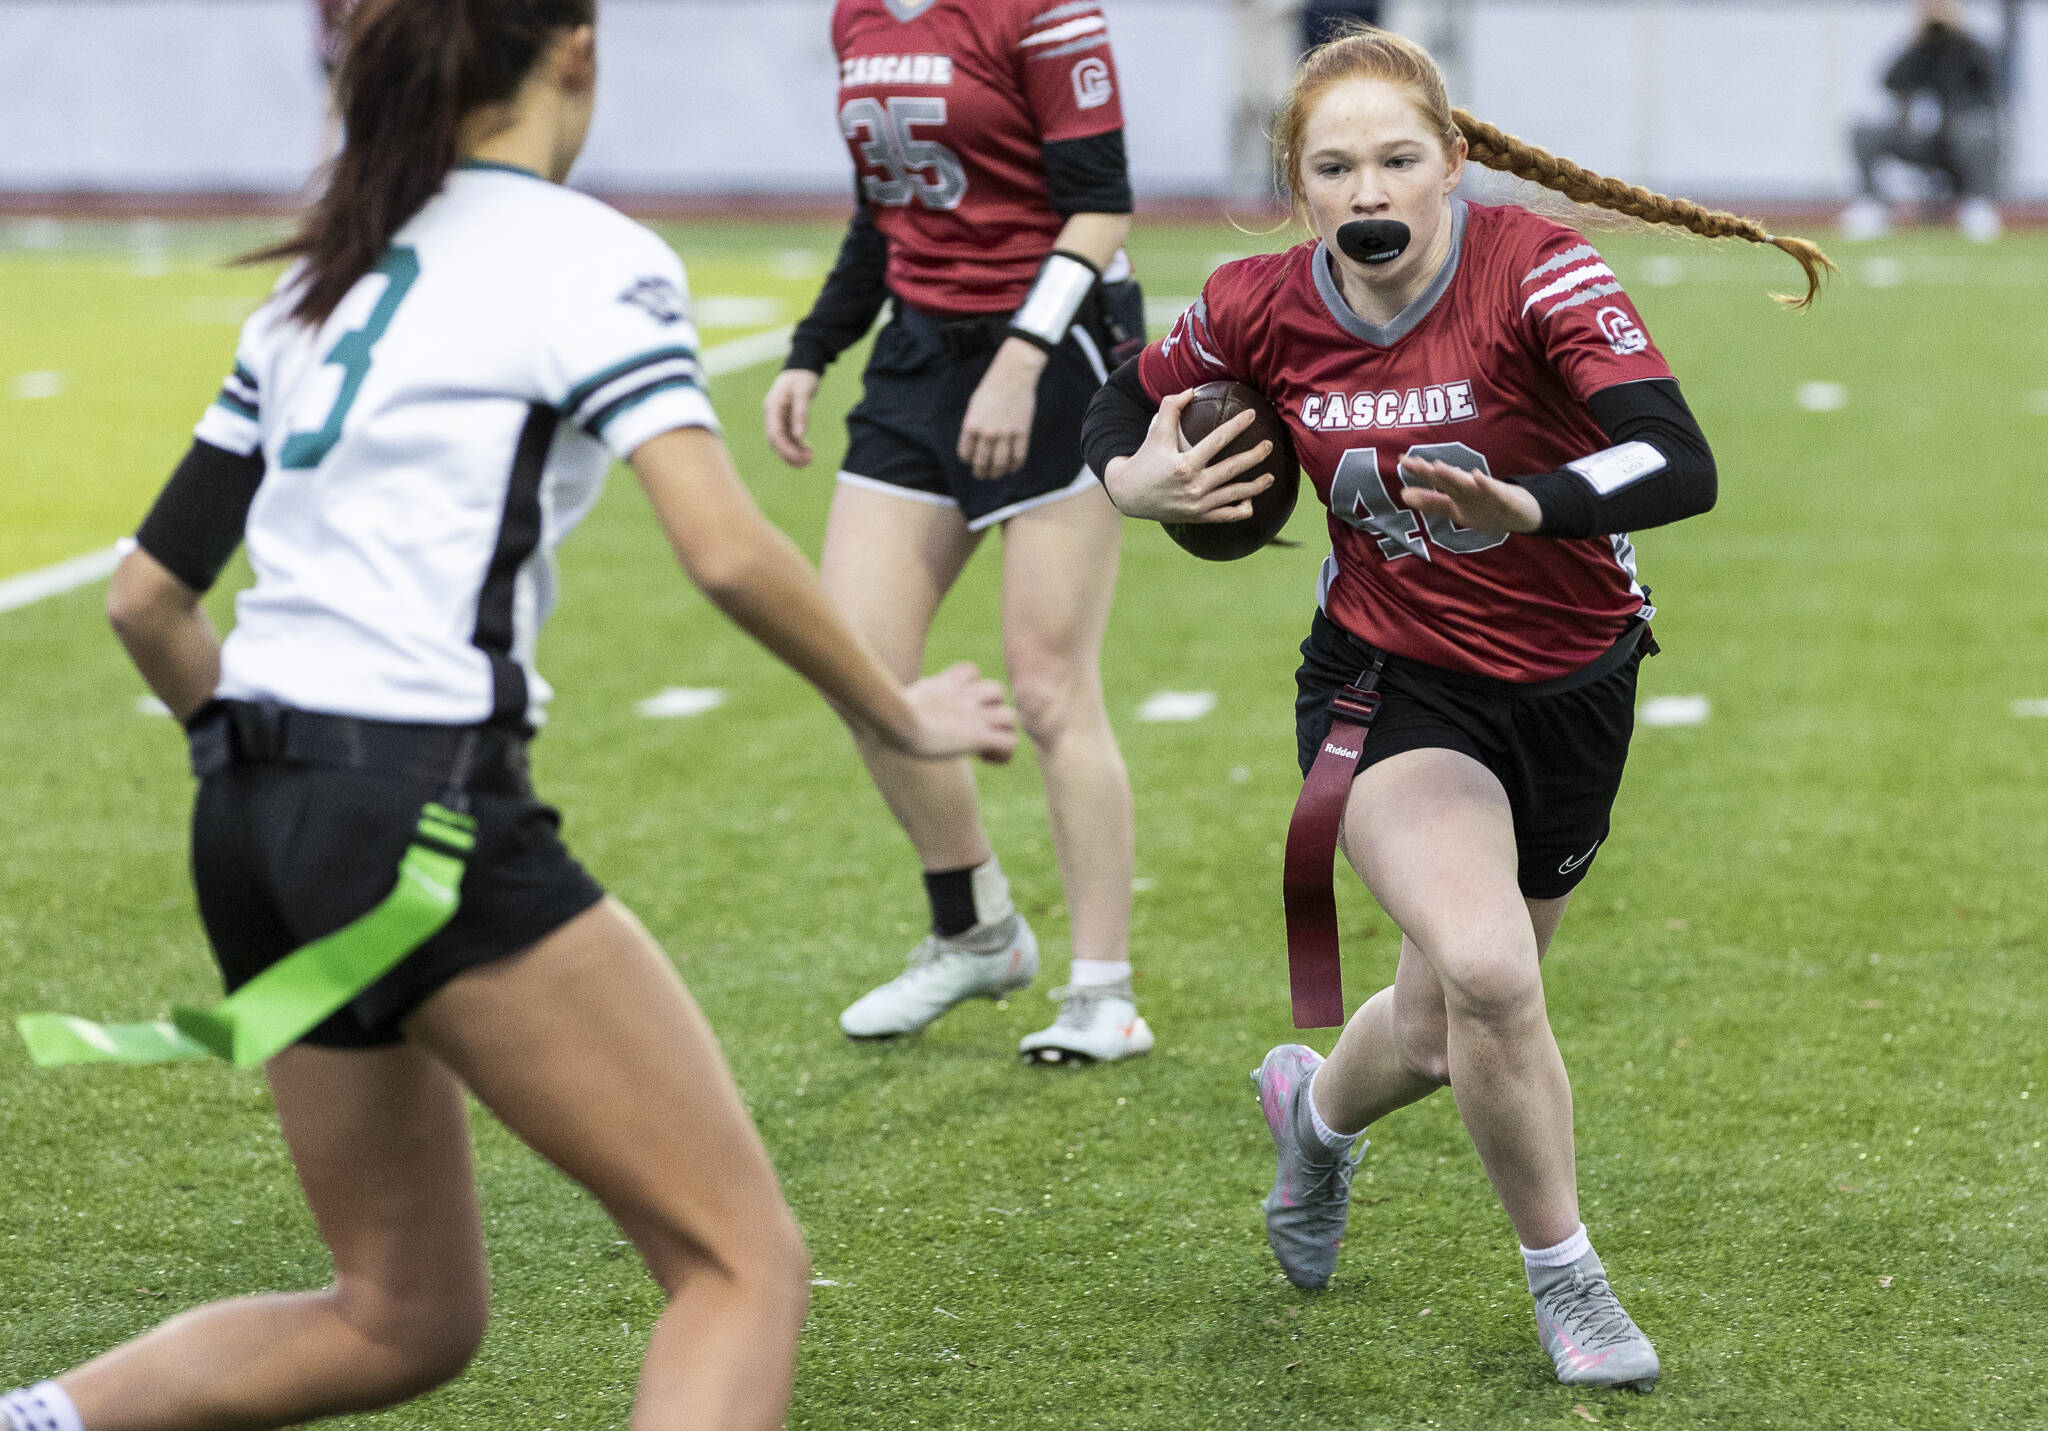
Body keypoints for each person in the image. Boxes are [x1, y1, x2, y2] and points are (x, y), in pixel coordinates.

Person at [0, 2, 1016, 1428]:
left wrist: (274, 783)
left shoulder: (325, 275)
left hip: (247, 808)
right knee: (741, 1264)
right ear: (578, 48)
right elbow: (724, 547)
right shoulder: (588, 258)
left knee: (397, 1315)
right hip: (415, 806)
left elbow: (146, 602)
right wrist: (899, 714)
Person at [1081, 25, 1830, 1392]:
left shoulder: (1537, 267)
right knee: (1492, 971)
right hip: (1391, 684)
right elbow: (1114, 403)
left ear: (1454, 163)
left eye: (1396, 159)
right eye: (1334, 167)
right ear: (1298, 186)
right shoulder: (1254, 301)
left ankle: (1311, 1115)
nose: (1368, 190)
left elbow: (1679, 457)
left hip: (1578, 684)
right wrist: (1136, 483)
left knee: (1438, 1027)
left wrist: (1526, 503)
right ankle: (1572, 1283)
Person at [762, 0, 1152, 1064]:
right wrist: (810, 350)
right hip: (916, 358)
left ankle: (1101, 991)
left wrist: (1023, 363)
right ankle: (975, 926)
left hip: (1051, 350)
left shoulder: (1042, 13)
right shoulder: (856, 17)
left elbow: (1100, 209)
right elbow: (880, 211)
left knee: (1048, 688)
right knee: (861, 670)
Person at [1840, 0, 2002, 242]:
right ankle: (1873, 204)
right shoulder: (1916, 49)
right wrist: (1918, 39)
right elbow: (1889, 80)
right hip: (1916, 137)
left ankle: (1977, 203)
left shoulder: (1970, 49)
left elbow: (1990, 88)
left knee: (1981, 131)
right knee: (1862, 130)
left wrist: (1957, 36)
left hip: (1955, 137)